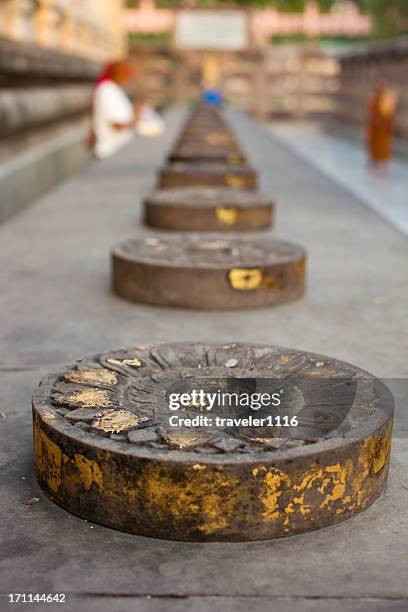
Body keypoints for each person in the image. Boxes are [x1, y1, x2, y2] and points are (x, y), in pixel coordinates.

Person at [92, 61, 142, 159]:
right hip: (111, 149)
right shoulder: (107, 91)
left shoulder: (113, 89)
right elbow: (117, 124)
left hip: (119, 146)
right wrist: (135, 116)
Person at [366, 82, 397, 172]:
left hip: (384, 127)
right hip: (375, 127)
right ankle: (375, 162)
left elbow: (390, 114)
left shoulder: (388, 100)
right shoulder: (374, 99)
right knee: (374, 145)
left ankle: (383, 163)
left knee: (384, 145)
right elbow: (370, 113)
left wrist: (386, 122)